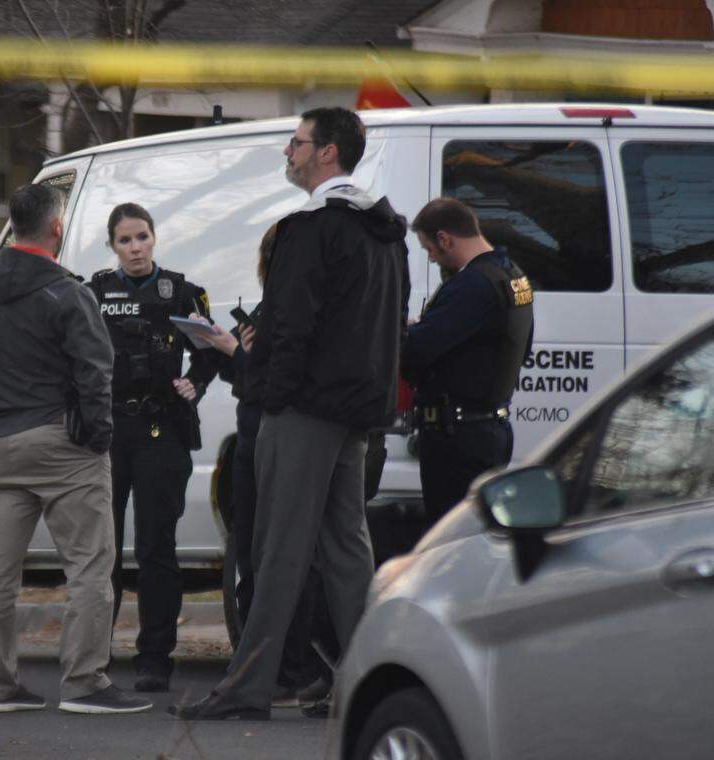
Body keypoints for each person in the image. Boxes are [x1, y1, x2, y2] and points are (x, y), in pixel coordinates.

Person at [171, 107, 409, 720]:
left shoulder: (311, 230)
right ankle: (366, 682)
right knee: (348, 552)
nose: (287, 151)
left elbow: (289, 328)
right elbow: (388, 329)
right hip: (356, 414)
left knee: (277, 550)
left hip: (302, 412)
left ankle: (247, 689)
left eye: (298, 143)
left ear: (328, 153)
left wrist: (267, 393)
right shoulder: (386, 235)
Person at [0, 183, 151, 715]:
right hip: (62, 442)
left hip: (1, 441)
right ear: (56, 229)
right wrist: (98, 436)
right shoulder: (66, 292)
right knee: (90, 564)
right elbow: (97, 369)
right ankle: (85, 681)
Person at [197, 226, 335, 711]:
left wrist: (237, 353)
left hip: (269, 436)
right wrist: (227, 350)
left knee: (270, 559)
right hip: (255, 433)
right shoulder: (270, 307)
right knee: (262, 559)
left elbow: (274, 374)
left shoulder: (289, 307)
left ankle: (285, 670)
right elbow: (246, 373)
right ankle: (282, 669)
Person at [87, 202, 218, 694]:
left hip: (162, 430)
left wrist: (194, 383)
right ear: (113, 246)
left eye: (142, 237)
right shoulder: (95, 293)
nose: (136, 247)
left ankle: (155, 658)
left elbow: (210, 348)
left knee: (156, 548)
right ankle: (93, 652)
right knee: (102, 549)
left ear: (154, 238)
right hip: (110, 433)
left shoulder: (183, 292)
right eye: (125, 240)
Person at [401, 197, 534, 523]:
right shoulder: (512, 275)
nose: (431, 258)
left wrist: (406, 332)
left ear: (445, 238)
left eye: (428, 248)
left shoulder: (472, 285)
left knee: (452, 540)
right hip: (487, 428)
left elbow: (415, 352)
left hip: (458, 440)